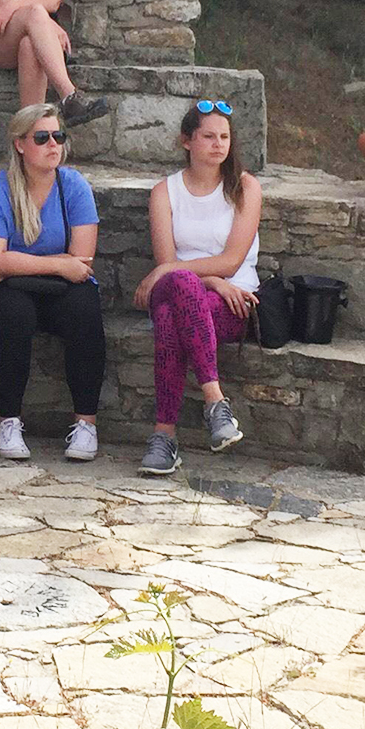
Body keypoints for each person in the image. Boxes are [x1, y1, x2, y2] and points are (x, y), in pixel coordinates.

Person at [0, 102, 108, 462]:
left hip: (48, 287)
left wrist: (20, 265)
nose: (53, 145)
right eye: (42, 137)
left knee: (84, 309)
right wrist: (57, 264)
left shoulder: (74, 186)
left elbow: (82, 261)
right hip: (3, 291)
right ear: (20, 144)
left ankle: (85, 423)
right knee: (15, 314)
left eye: (58, 136)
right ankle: (10, 421)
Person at [131, 100, 260, 475]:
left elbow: (233, 260)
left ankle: (164, 437)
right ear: (186, 141)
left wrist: (186, 274)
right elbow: (167, 263)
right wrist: (214, 280)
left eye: (224, 136)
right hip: (188, 289)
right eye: (208, 136)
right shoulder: (165, 192)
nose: (218, 144)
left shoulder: (245, 187)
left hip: (234, 303)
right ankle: (215, 402)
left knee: (170, 319)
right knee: (182, 285)